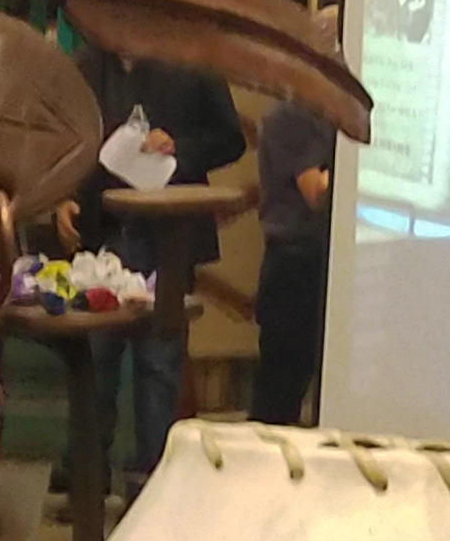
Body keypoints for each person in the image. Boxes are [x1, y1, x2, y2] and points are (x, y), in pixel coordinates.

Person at [88, 50, 247, 497]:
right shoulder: (88, 66)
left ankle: (149, 491)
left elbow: (229, 138)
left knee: (157, 369)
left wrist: (178, 144)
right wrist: (67, 202)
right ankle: (88, 483)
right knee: (95, 364)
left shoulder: (193, 58)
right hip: (104, 238)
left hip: (169, 241)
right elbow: (72, 141)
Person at [252, 99, 334, 425]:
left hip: (331, 259)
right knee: (280, 390)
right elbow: (315, 192)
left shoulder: (334, 119)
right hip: (294, 266)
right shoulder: (289, 118)